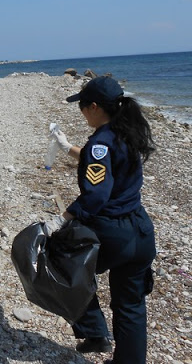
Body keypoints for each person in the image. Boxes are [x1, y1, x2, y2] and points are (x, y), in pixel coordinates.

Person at [51, 76, 156, 364]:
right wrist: (67, 147)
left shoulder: (100, 142)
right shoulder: (127, 132)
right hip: (141, 231)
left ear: (95, 107)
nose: (81, 112)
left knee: (62, 261)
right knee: (130, 306)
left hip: (114, 233)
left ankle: (94, 331)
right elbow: (102, 161)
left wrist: (64, 218)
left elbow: (97, 195)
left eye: (83, 106)